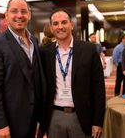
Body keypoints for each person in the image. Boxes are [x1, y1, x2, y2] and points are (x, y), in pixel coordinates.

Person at [0, 0, 46, 138]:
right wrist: (0, 124)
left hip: (31, 120)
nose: (19, 15)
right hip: (8, 123)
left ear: (29, 15)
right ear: (6, 16)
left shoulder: (34, 41)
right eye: (14, 11)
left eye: (23, 11)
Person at [40, 9, 105, 138]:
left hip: (82, 116)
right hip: (54, 116)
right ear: (51, 28)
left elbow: (99, 88)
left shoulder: (89, 50)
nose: (60, 27)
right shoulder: (44, 53)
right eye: (56, 23)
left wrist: (98, 122)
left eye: (64, 22)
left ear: (71, 25)